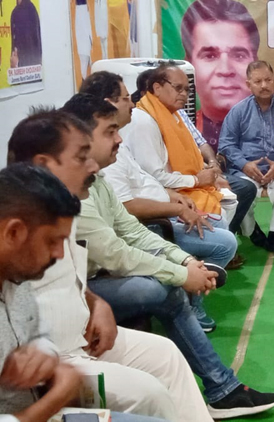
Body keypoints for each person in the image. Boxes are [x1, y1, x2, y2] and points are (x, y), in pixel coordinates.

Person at [62, 93, 274, 419]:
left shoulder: (98, 178)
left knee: (178, 275)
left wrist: (182, 261)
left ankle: (221, 388)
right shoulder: (72, 191)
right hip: (95, 282)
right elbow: (115, 253)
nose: (119, 137)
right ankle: (221, 387)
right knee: (161, 289)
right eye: (110, 131)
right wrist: (180, 273)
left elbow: (131, 231)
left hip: (96, 281)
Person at [7, 109, 213, 421]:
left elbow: (69, 275)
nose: (93, 165)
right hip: (57, 363)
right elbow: (117, 253)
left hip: (78, 341)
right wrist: (59, 383)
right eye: (81, 156)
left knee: (166, 356)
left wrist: (95, 300)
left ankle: (218, 393)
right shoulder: (24, 228)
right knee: (149, 393)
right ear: (43, 165)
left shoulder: (61, 207)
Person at [0, 164, 164, 422]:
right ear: (13, 232)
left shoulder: (14, 280)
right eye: (51, 242)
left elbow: (35, 336)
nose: (60, 255)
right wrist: (60, 393)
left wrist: (44, 356)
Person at [82, 72, 238, 330]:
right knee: (223, 242)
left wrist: (175, 196)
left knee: (219, 223)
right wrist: (179, 202)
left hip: (166, 205)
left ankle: (194, 289)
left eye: (187, 89)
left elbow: (145, 180)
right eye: (125, 98)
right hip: (155, 222)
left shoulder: (126, 136)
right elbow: (128, 215)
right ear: (106, 104)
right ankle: (193, 302)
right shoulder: (126, 135)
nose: (132, 103)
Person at [219, 60, 274, 257]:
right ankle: (253, 232)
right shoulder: (238, 111)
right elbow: (226, 143)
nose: (264, 85)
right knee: (240, 191)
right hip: (247, 170)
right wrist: (244, 165)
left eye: (268, 80)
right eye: (258, 81)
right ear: (248, 84)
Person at [122, 65, 228, 224]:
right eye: (178, 88)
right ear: (157, 88)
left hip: (177, 187)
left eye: (187, 90)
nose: (184, 94)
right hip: (160, 195)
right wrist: (196, 180)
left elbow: (192, 157)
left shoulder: (173, 115)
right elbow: (155, 177)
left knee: (228, 197)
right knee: (221, 217)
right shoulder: (143, 121)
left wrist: (209, 174)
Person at [180, 0, 259, 152]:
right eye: (210, 56)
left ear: (255, 61)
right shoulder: (179, 126)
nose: (225, 70)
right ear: (189, 65)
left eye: (239, 56)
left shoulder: (271, 124)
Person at [9, 0, 42, 68]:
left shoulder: (20, 11)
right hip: (33, 69)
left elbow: (27, 43)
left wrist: (17, 64)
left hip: (24, 69)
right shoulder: (31, 9)